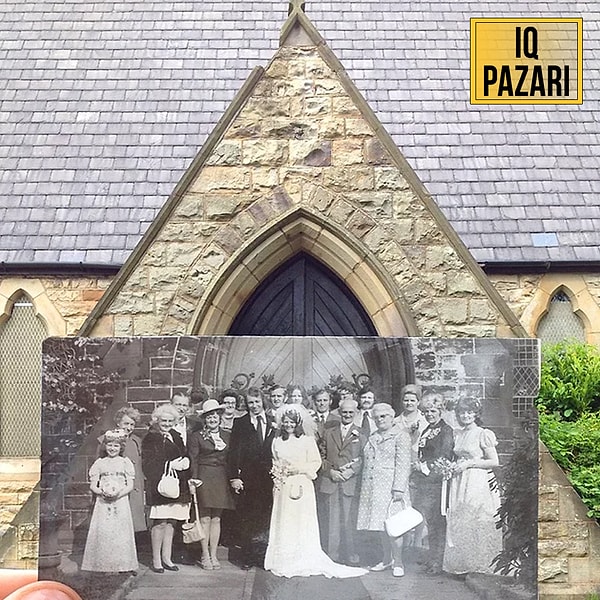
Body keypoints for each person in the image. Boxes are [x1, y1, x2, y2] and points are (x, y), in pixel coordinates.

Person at [264, 405, 368, 578]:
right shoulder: (277, 441)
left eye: (292, 422)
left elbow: (316, 462)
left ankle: (302, 557)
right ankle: (283, 559)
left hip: (301, 484)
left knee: (300, 520)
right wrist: (278, 473)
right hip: (283, 486)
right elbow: (274, 461)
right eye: (286, 422)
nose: (288, 425)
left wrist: (297, 469)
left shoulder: (306, 440)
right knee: (285, 519)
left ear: (298, 423)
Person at [443, 397, 502, 575]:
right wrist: (452, 467)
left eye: (470, 412)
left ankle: (480, 564)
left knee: (476, 517)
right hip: (460, 480)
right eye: (462, 412)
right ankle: (463, 564)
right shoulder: (458, 433)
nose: (466, 415)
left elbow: (494, 461)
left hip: (477, 480)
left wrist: (468, 464)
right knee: (461, 519)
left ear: (476, 414)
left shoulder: (483, 433)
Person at [357, 402, 412, 578]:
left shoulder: (400, 436)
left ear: (391, 416)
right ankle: (386, 559)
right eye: (376, 417)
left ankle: (399, 562)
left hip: (391, 487)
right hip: (374, 488)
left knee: (394, 526)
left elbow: (403, 464)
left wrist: (399, 488)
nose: (380, 420)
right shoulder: (373, 437)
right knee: (382, 525)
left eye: (383, 416)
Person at [228, 387, 277, 569]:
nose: (254, 405)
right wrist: (234, 477)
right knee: (248, 519)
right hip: (248, 479)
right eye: (250, 402)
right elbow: (233, 452)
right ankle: (247, 557)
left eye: (257, 402)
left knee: (266, 518)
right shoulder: (241, 423)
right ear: (246, 404)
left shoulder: (273, 422)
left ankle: (263, 557)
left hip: (270, 479)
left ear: (262, 401)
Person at [142, 404, 191, 573]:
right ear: (157, 420)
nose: (167, 424)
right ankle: (156, 560)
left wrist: (185, 463)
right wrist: (169, 464)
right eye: (164, 420)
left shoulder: (176, 435)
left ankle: (167, 558)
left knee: (171, 523)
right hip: (160, 486)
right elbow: (147, 464)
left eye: (171, 421)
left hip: (176, 485)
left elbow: (184, 453)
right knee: (160, 523)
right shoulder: (151, 437)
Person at [188, 399, 236, 570]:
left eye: (216, 416)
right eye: (209, 417)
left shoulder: (227, 435)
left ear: (220, 417)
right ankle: (204, 555)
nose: (213, 419)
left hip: (221, 477)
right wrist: (193, 480)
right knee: (205, 518)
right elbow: (193, 459)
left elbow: (232, 459)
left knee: (217, 518)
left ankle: (214, 554)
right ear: (205, 419)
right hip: (204, 477)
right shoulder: (197, 436)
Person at [410, 393, 454, 574]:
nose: (429, 414)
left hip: (437, 482)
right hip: (424, 483)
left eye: (433, 411)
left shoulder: (446, 430)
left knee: (437, 521)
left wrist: (424, 468)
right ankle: (432, 556)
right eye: (426, 411)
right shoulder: (427, 429)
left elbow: (444, 455)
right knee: (428, 521)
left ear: (440, 411)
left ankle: (438, 561)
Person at [81, 429, 137, 573]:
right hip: (103, 502)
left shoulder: (125, 462)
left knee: (120, 532)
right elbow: (93, 485)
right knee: (104, 531)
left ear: (121, 448)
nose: (112, 448)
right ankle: (103, 565)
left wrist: (118, 494)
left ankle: (122, 564)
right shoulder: (100, 463)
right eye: (110, 445)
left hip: (120, 501)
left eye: (116, 446)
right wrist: (102, 492)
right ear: (105, 446)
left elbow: (130, 485)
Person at [318, 399, 365, 565]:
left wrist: (352, 471)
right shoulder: (329, 432)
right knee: (332, 520)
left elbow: (364, 458)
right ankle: (332, 556)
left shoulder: (361, 434)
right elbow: (320, 456)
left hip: (349, 483)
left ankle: (351, 554)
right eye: (344, 412)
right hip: (331, 481)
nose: (347, 415)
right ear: (339, 413)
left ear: (356, 413)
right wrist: (330, 471)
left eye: (351, 412)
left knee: (348, 520)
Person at [112, 406, 146, 534]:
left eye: (132, 424)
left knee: (131, 522)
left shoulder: (136, 441)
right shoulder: (109, 439)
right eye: (126, 423)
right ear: (118, 423)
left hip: (134, 486)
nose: (129, 427)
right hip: (117, 486)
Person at [394, 384, 428, 457]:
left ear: (418, 402)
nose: (409, 403)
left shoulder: (425, 420)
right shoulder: (395, 422)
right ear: (402, 402)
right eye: (406, 400)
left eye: (412, 400)